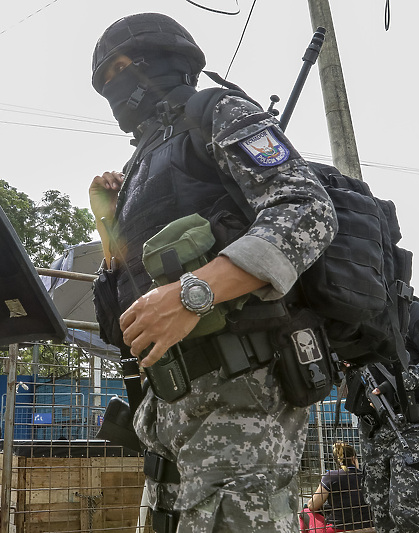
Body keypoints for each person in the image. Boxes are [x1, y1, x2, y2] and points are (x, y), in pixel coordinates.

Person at [89, 13, 337, 532]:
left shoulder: (216, 111)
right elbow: (130, 291)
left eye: (122, 67)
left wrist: (194, 293)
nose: (115, 84)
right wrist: (108, 224)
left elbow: (306, 209)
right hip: (166, 405)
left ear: (163, 59)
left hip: (240, 394)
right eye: (105, 75)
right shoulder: (136, 166)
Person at [346, 298, 419, 533]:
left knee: (407, 511)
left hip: (413, 423)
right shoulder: (351, 312)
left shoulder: (409, 310)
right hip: (373, 429)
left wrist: (400, 383)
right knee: (381, 513)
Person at [302, 441, 372, 532]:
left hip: (339, 528)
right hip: (368, 527)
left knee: (304, 512)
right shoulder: (366, 476)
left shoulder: (331, 476)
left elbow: (312, 505)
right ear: (353, 459)